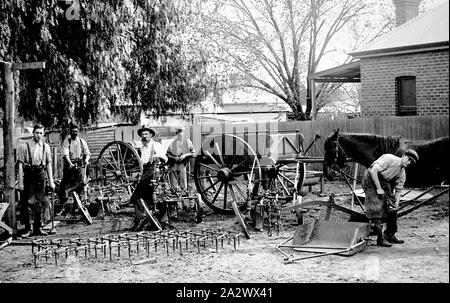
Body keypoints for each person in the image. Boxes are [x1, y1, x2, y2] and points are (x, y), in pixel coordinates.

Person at [362, 149, 419, 247]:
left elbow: (398, 190)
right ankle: (380, 239)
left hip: (383, 181)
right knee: (377, 204)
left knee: (392, 206)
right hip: (370, 178)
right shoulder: (389, 158)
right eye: (408, 159)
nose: (409, 163)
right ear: (404, 155)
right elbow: (373, 171)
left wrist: (396, 204)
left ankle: (390, 234)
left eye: (411, 162)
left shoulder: (402, 173)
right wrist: (379, 189)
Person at [17, 124, 55, 237]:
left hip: (41, 175)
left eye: (41, 133)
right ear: (33, 133)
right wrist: (21, 183)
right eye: (37, 132)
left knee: (40, 203)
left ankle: (37, 228)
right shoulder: (24, 146)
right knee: (28, 202)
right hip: (29, 175)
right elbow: (20, 166)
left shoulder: (45, 147)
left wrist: (51, 181)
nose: (39, 135)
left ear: (43, 134)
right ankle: (28, 229)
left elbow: (49, 165)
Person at [129, 126, 168, 231]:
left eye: (146, 134)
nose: (143, 136)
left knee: (136, 197)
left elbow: (165, 158)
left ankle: (142, 218)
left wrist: (157, 156)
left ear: (151, 135)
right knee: (146, 199)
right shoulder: (142, 148)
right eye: (142, 135)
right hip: (144, 173)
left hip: (153, 173)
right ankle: (145, 220)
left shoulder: (156, 145)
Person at [58, 124, 91, 216]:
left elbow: (87, 153)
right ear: (70, 132)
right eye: (73, 132)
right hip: (69, 166)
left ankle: (77, 207)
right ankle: (63, 208)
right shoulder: (67, 141)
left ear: (78, 132)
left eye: (76, 131)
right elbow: (65, 155)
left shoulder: (81, 141)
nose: (74, 133)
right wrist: (70, 164)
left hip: (79, 165)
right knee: (64, 186)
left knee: (80, 185)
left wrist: (86, 160)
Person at [166, 127, 196, 196]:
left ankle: (183, 193)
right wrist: (174, 158)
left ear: (183, 133)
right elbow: (167, 154)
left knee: (183, 180)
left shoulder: (187, 141)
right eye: (178, 134)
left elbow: (193, 153)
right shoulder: (173, 143)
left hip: (183, 164)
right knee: (173, 180)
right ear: (176, 134)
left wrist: (185, 155)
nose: (180, 135)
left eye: (181, 133)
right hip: (174, 163)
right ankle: (174, 192)